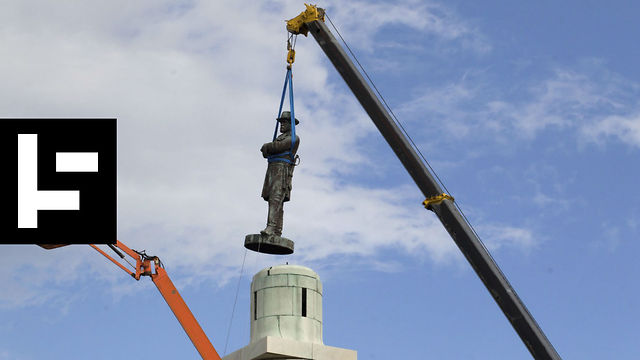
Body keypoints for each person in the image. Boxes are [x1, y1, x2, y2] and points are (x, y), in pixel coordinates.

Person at [260, 111, 300, 237]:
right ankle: (277, 230)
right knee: (275, 199)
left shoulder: (293, 138)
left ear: (291, 125)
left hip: (282, 170)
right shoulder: (279, 137)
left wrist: (267, 146)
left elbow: (278, 147)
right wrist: (269, 148)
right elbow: (267, 152)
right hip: (273, 169)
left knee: (276, 198)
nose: (281, 125)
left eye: (285, 122)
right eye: (281, 122)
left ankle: (271, 227)